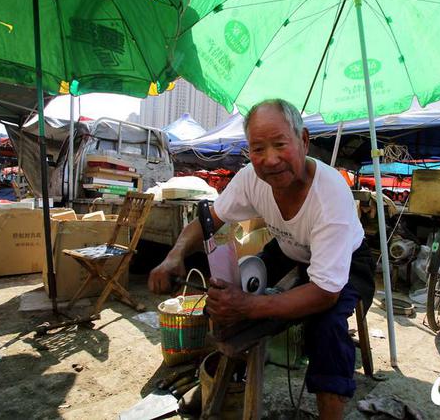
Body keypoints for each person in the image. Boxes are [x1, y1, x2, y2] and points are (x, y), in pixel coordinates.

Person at [149, 99, 375, 419]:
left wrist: (249, 306)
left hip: (349, 262)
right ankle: (214, 384)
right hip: (289, 249)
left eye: (280, 144)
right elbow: (207, 220)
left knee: (325, 327)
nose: (270, 159)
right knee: (226, 292)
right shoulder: (250, 180)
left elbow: (325, 291)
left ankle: (330, 414)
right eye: (258, 149)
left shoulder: (331, 194)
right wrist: (174, 256)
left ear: (304, 140)